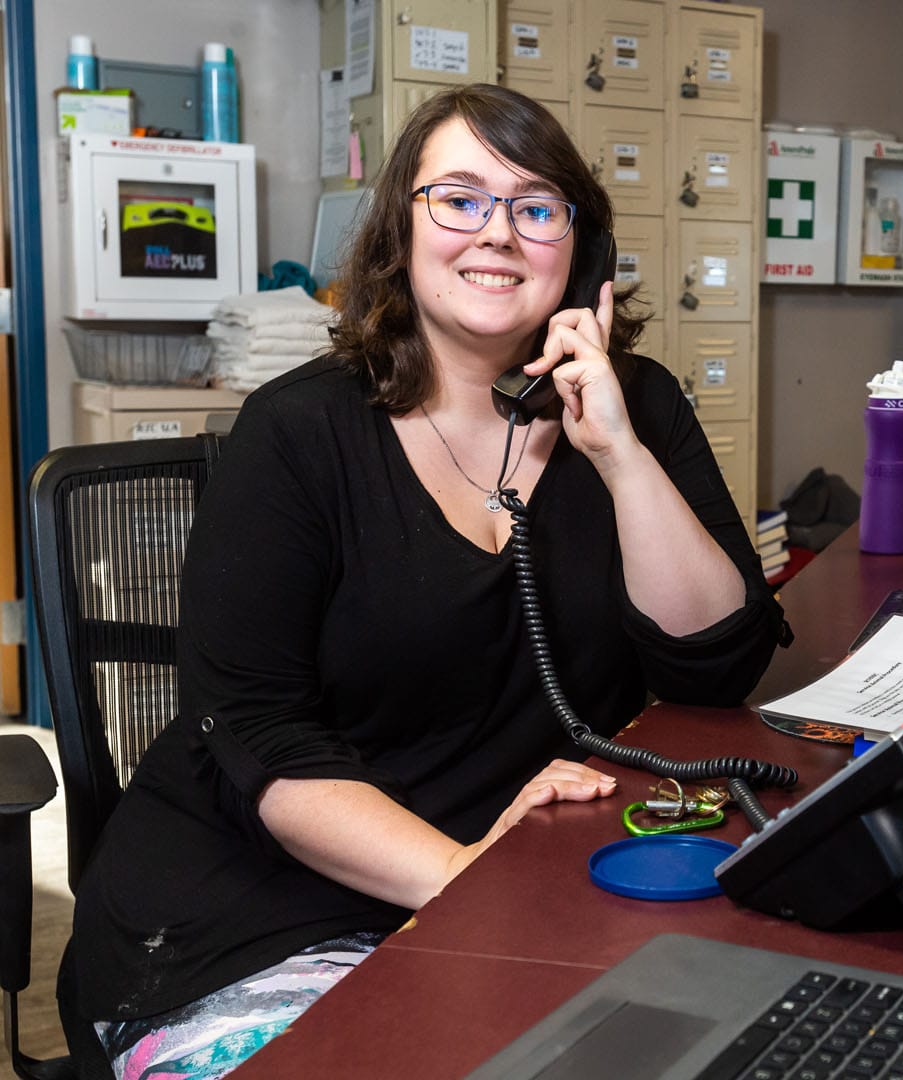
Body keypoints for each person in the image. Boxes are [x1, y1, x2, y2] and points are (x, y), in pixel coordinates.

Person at [57, 83, 788, 1079]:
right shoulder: (298, 433)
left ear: (580, 249)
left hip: (514, 880)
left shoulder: (635, 406)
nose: (499, 234)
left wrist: (615, 450)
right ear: (402, 227)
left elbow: (716, 665)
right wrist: (462, 876)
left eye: (535, 207)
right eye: (459, 198)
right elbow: (258, 734)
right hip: (263, 906)